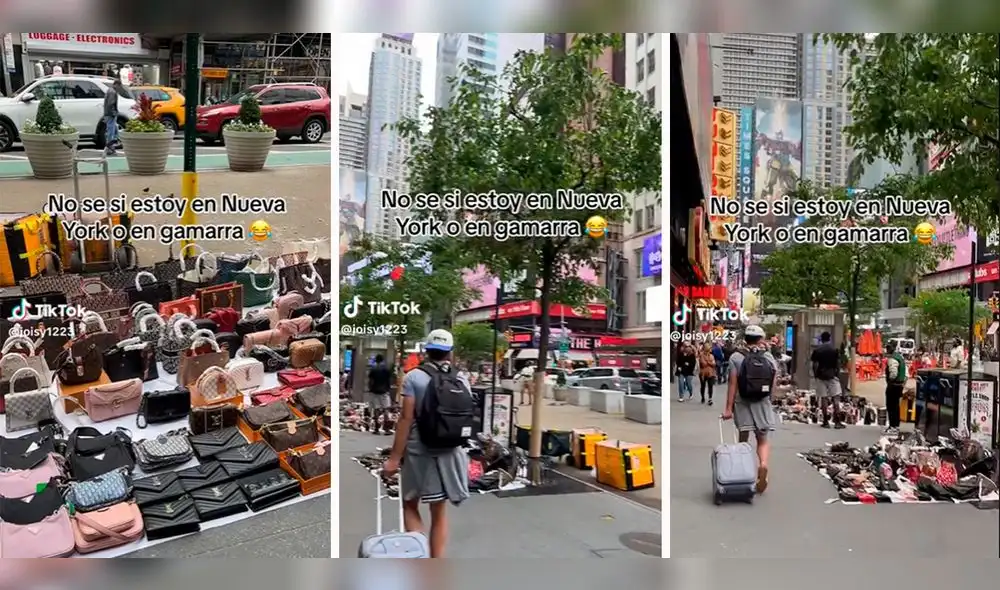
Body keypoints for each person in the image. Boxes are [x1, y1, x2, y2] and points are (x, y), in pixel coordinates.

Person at [382, 329, 471, 558]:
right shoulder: (461, 378)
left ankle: (419, 559)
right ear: (449, 353)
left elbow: (406, 419)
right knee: (439, 511)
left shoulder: (414, 377)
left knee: (410, 504)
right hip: (450, 450)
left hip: (419, 450)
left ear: (426, 351)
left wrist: (393, 459)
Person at [722, 325, 778, 494]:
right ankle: (763, 465)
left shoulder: (736, 357)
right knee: (762, 438)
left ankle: (744, 470)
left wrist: (728, 409)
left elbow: (733, 384)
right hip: (762, 401)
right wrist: (770, 399)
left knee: (743, 437)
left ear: (745, 338)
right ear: (760, 339)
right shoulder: (768, 356)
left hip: (743, 401)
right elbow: (774, 380)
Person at [810, 331, 844, 429]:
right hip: (833, 376)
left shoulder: (817, 350)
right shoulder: (834, 350)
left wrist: (816, 375)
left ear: (821, 339)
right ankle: (837, 422)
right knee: (835, 398)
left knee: (823, 398)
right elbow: (838, 363)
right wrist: (836, 374)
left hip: (821, 376)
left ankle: (825, 421)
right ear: (830, 338)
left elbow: (815, 364)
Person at [884, 341, 907, 436]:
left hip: (893, 385)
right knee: (896, 406)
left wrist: (890, 380)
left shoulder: (892, 359)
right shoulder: (900, 357)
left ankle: (893, 426)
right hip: (900, 385)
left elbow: (893, 373)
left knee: (891, 405)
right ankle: (896, 426)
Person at [366, 354, 393, 434]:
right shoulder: (386, 369)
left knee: (376, 409)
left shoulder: (373, 369)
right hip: (384, 391)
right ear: (382, 360)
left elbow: (370, 381)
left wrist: (370, 389)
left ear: (376, 360)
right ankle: (386, 429)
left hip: (375, 391)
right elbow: (389, 380)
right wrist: (388, 389)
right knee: (386, 409)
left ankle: (376, 429)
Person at [102, 79, 124, 155]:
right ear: (117, 84)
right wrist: (114, 113)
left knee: (114, 130)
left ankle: (112, 147)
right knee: (111, 131)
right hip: (110, 114)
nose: (119, 88)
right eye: (119, 86)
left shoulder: (109, 90)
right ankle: (109, 148)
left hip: (108, 114)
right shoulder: (112, 92)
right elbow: (111, 104)